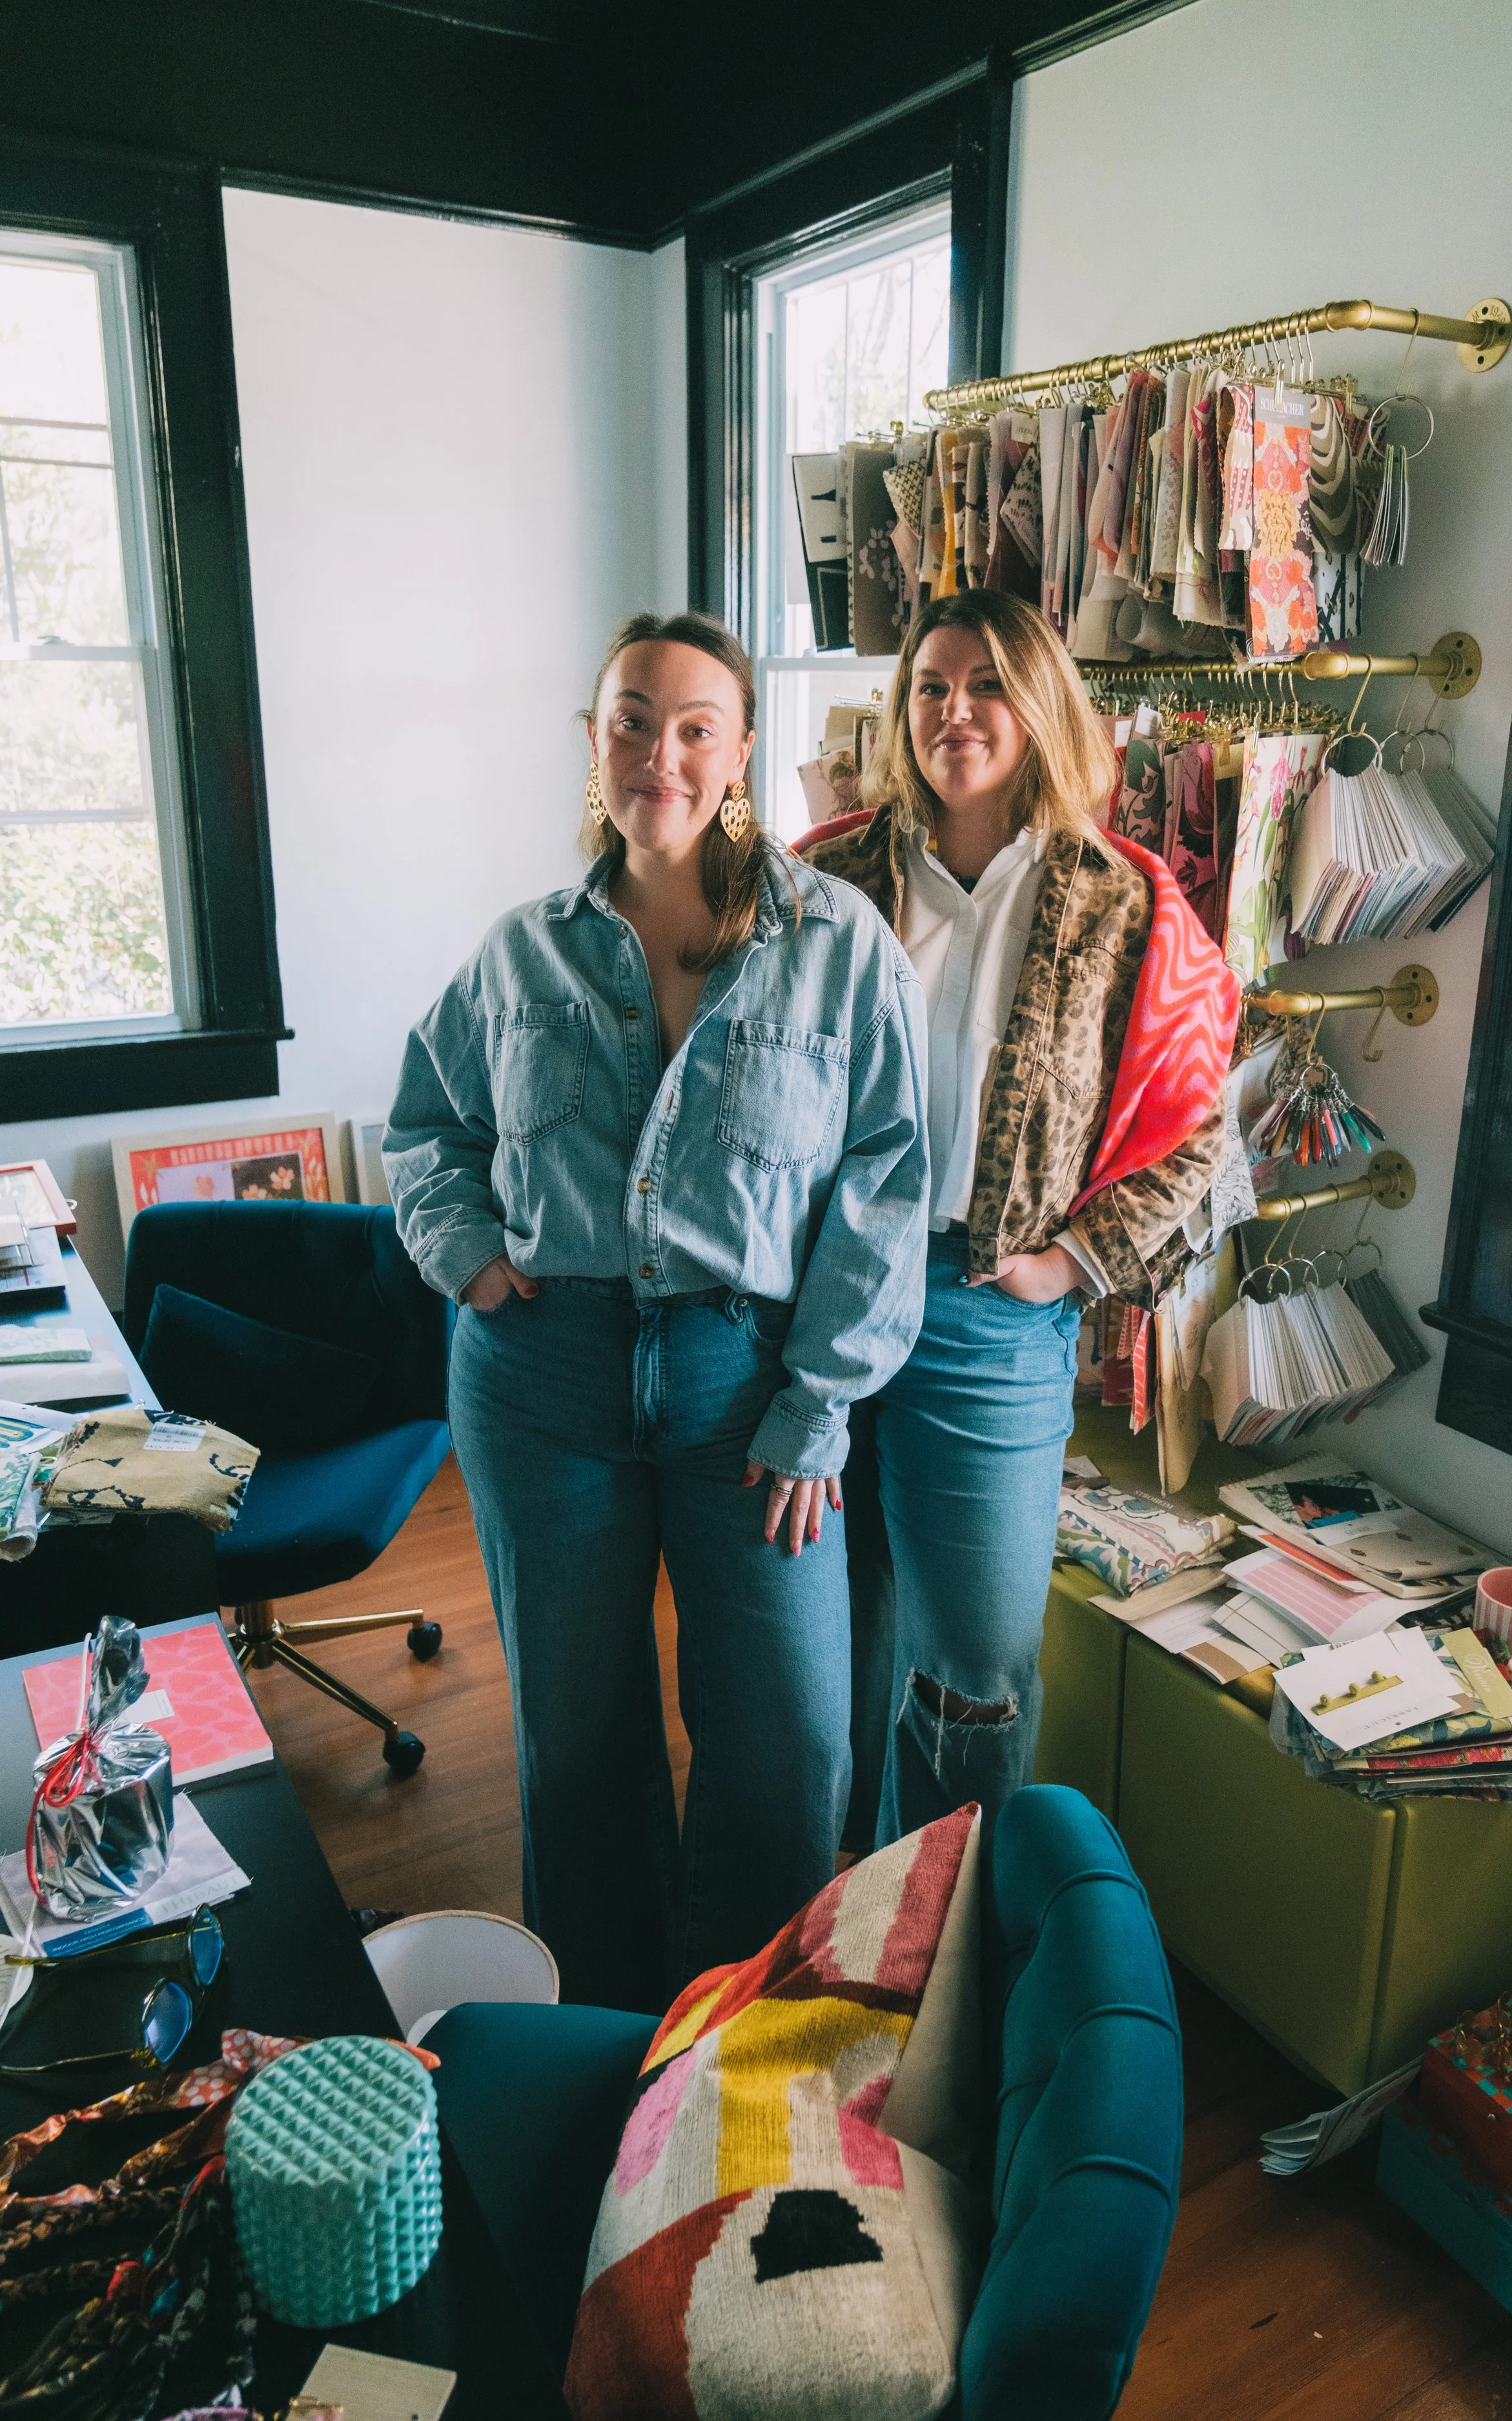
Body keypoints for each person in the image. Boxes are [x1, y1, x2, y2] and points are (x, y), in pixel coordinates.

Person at [384, 611, 930, 2010]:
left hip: (748, 1389)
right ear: (592, 740)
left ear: (741, 750)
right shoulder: (520, 955)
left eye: (696, 726)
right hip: (539, 1380)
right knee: (578, 1743)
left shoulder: (840, 946)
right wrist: (466, 1254)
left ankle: (733, 2041)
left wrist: (820, 1403)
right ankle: (607, 2031)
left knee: (787, 1742)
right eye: (632, 718)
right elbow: (424, 1126)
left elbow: (884, 1179)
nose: (661, 753)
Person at [799, 589, 1239, 1849]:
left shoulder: (1126, 907)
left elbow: (1202, 1135)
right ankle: (821, 1927)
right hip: (819, 1299)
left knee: (974, 1674)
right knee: (828, 1640)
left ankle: (933, 1961)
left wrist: (1075, 1262)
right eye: (930, 686)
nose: (955, 712)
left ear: (1038, 706)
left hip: (988, 1317)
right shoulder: (820, 879)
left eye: (987, 684)